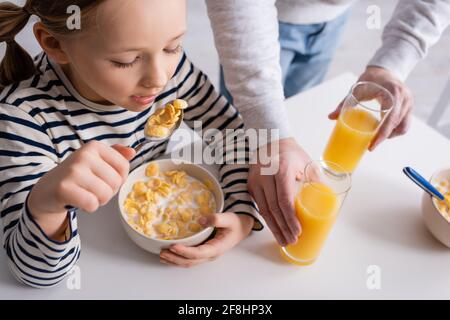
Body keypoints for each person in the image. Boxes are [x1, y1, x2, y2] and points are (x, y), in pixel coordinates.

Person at [0, 0, 263, 288]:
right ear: (55, 44)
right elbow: (33, 276)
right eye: (125, 61)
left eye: (172, 47)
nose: (159, 79)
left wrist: (241, 212)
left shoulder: (171, 69)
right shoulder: (23, 119)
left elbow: (228, 131)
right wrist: (47, 206)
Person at [206, 0, 450, 246]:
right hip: (252, 22)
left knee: (293, 115)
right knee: (248, 138)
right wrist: (270, 135)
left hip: (334, 18)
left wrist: (394, 62)